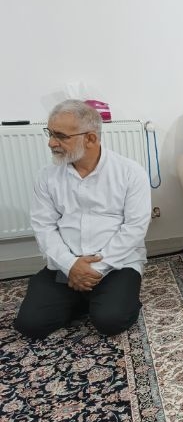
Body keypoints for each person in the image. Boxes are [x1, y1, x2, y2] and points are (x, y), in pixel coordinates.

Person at [14, 100, 151, 339]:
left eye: (60, 136)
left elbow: (135, 228)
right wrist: (71, 265)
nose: (51, 142)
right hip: (65, 263)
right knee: (30, 324)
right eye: (50, 133)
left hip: (116, 263)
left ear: (91, 138)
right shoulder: (47, 177)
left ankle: (94, 297)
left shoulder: (130, 173)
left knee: (111, 321)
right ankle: (85, 297)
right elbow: (43, 227)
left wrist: (93, 269)